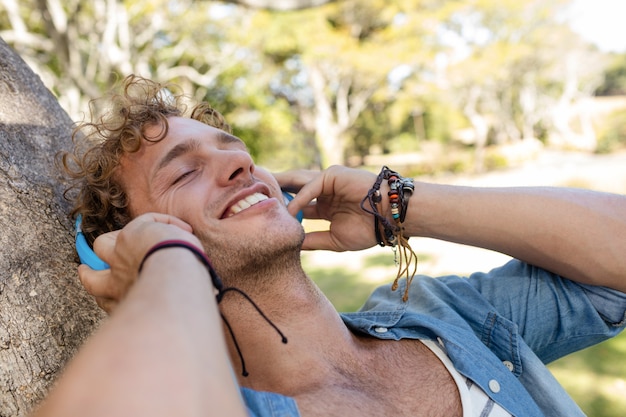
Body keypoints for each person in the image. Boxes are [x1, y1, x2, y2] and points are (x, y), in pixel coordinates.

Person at [35, 74, 626, 417]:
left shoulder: (451, 318)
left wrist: (394, 201)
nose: (240, 163)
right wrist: (167, 264)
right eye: (183, 173)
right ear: (120, 246)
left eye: (233, 147)